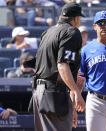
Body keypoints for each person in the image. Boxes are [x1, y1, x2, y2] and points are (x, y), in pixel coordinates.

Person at [32, 2, 85, 131]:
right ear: (76, 18)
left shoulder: (48, 32)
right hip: (54, 94)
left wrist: (70, 105)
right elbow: (62, 65)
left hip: (38, 92)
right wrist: (76, 92)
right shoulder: (72, 32)